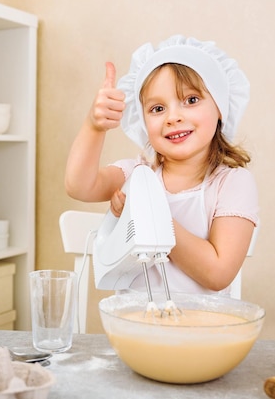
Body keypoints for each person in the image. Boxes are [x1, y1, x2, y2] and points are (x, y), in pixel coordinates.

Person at [65, 35, 259, 295]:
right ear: (143, 120)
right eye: (157, 109)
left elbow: (218, 273)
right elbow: (79, 186)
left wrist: (151, 216)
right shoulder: (137, 175)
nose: (173, 117)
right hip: (134, 329)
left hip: (201, 332)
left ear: (221, 106)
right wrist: (94, 126)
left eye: (191, 100)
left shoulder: (232, 183)